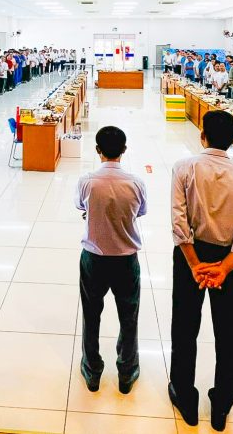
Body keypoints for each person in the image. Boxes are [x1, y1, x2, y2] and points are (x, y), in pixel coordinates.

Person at [170, 110, 233, 431]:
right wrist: (224, 268)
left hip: (190, 257)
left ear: (202, 136)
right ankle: (222, 402)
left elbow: (179, 222)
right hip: (228, 260)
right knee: (227, 331)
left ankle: (184, 393)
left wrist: (195, 264)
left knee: (184, 326)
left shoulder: (184, 168)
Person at [74, 126, 147, 395]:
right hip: (126, 260)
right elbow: (140, 211)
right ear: (124, 150)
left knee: (91, 314)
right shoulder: (136, 183)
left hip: (94, 258)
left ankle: (92, 370)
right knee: (129, 316)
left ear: (98, 150)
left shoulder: (87, 181)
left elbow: (81, 207)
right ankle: (127, 372)